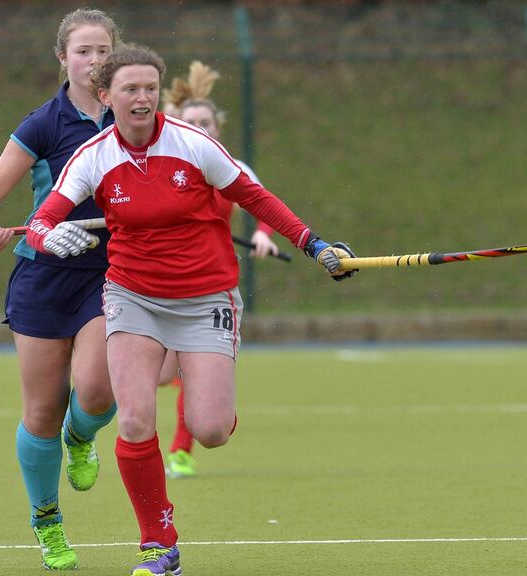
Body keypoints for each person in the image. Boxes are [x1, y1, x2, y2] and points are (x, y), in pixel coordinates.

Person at [25, 44, 355, 576]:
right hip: (132, 296)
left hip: (206, 299)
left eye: (150, 88)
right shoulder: (94, 156)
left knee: (210, 429)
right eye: (130, 89)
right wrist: (48, 237)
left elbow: (257, 197)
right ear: (107, 96)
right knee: (133, 420)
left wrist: (314, 245)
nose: (142, 98)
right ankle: (159, 545)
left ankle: (216, 398)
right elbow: (45, 218)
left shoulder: (193, 145)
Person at [0, 8, 121, 571]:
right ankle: (47, 521)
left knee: (98, 393)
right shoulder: (43, 123)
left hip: (111, 273)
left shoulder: (132, 115)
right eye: (82, 51)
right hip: (42, 275)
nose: (93, 60)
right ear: (63, 58)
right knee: (40, 411)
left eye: (102, 50)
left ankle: (81, 437)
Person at [157, 60, 284, 480]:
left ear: (217, 128)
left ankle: (180, 449)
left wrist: (264, 234)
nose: (199, 128)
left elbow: (262, 204)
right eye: (190, 121)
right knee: (161, 376)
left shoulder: (231, 166)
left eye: (206, 122)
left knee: (185, 374)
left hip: (209, 285)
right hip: (154, 283)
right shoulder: (158, 165)